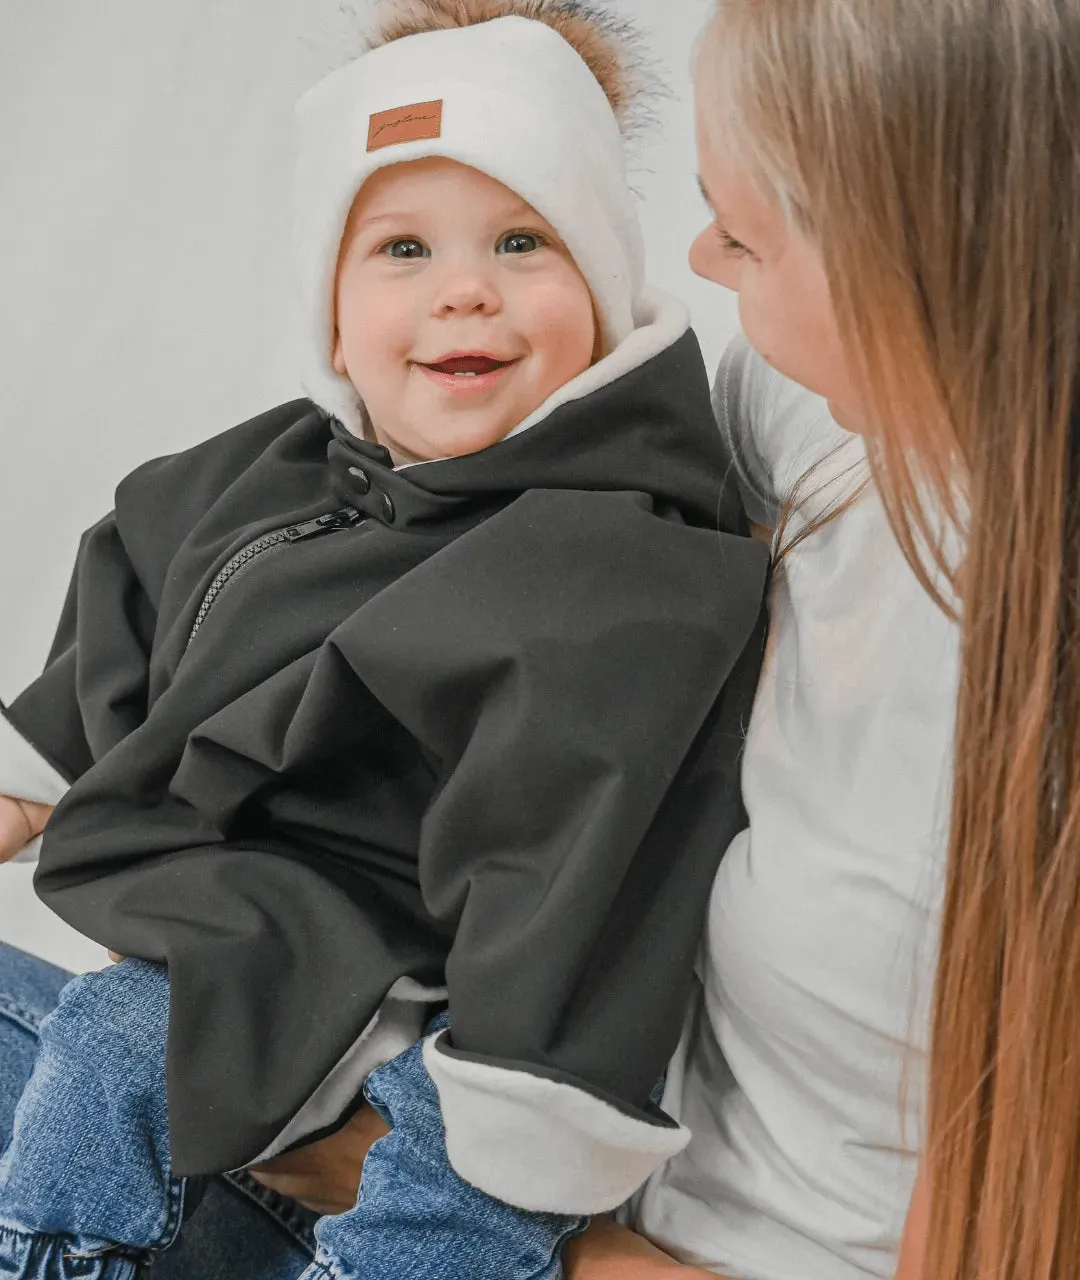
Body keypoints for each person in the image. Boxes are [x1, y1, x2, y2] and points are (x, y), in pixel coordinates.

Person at [0, 2, 767, 1279]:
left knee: (153, 1058)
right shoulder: (282, 468)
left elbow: (579, 884)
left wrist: (500, 1153)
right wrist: (29, 774)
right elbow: (132, 591)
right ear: (335, 312)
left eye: (524, 240)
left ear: (604, 278)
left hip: (425, 994)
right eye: (402, 247)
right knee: (106, 1046)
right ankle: (55, 1243)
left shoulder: (611, 571)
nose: (464, 286)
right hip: (243, 932)